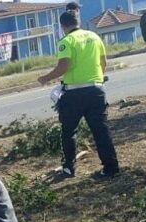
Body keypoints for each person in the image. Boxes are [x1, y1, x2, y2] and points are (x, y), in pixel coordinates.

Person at [38, 10, 121, 179]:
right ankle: (111, 167)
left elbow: (64, 66)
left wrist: (45, 78)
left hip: (74, 93)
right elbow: (103, 62)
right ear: (78, 22)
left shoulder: (67, 41)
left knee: (68, 132)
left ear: (63, 26)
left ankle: (69, 168)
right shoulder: (94, 37)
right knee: (101, 130)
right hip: (96, 89)